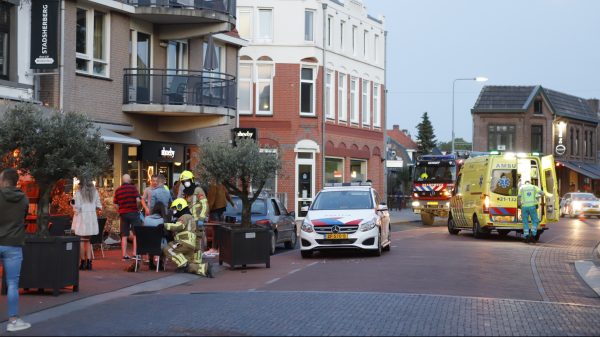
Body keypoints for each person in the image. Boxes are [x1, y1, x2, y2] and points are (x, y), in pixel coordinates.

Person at [0, 168, 31, 332]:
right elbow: (24, 217)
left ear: (5, 181)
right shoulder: (24, 199)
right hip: (13, 244)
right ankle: (12, 321)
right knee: (12, 284)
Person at [163, 198, 213, 277]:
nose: (174, 211)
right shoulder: (190, 217)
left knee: (168, 249)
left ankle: (183, 265)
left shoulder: (184, 216)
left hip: (184, 242)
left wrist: (165, 225)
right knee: (189, 266)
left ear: (180, 207)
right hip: (190, 245)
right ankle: (205, 268)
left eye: (175, 208)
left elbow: (179, 226)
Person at [71, 178, 102, 271]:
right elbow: (99, 205)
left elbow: (77, 207)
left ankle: (82, 262)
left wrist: (72, 205)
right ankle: (89, 262)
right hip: (91, 218)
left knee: (81, 241)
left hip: (82, 218)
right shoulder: (95, 192)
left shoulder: (79, 192)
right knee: (88, 241)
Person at [113, 174, 141, 260]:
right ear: (129, 180)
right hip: (133, 213)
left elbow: (115, 203)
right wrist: (138, 208)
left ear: (122, 180)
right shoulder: (133, 188)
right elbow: (138, 200)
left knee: (124, 235)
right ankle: (135, 253)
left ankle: (124, 255)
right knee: (136, 234)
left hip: (123, 214)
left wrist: (120, 210)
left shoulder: (118, 190)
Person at [143, 202, 167, 271]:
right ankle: (160, 262)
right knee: (164, 241)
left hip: (146, 245)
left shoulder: (146, 219)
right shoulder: (162, 220)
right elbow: (165, 233)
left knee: (151, 239)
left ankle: (151, 261)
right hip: (158, 245)